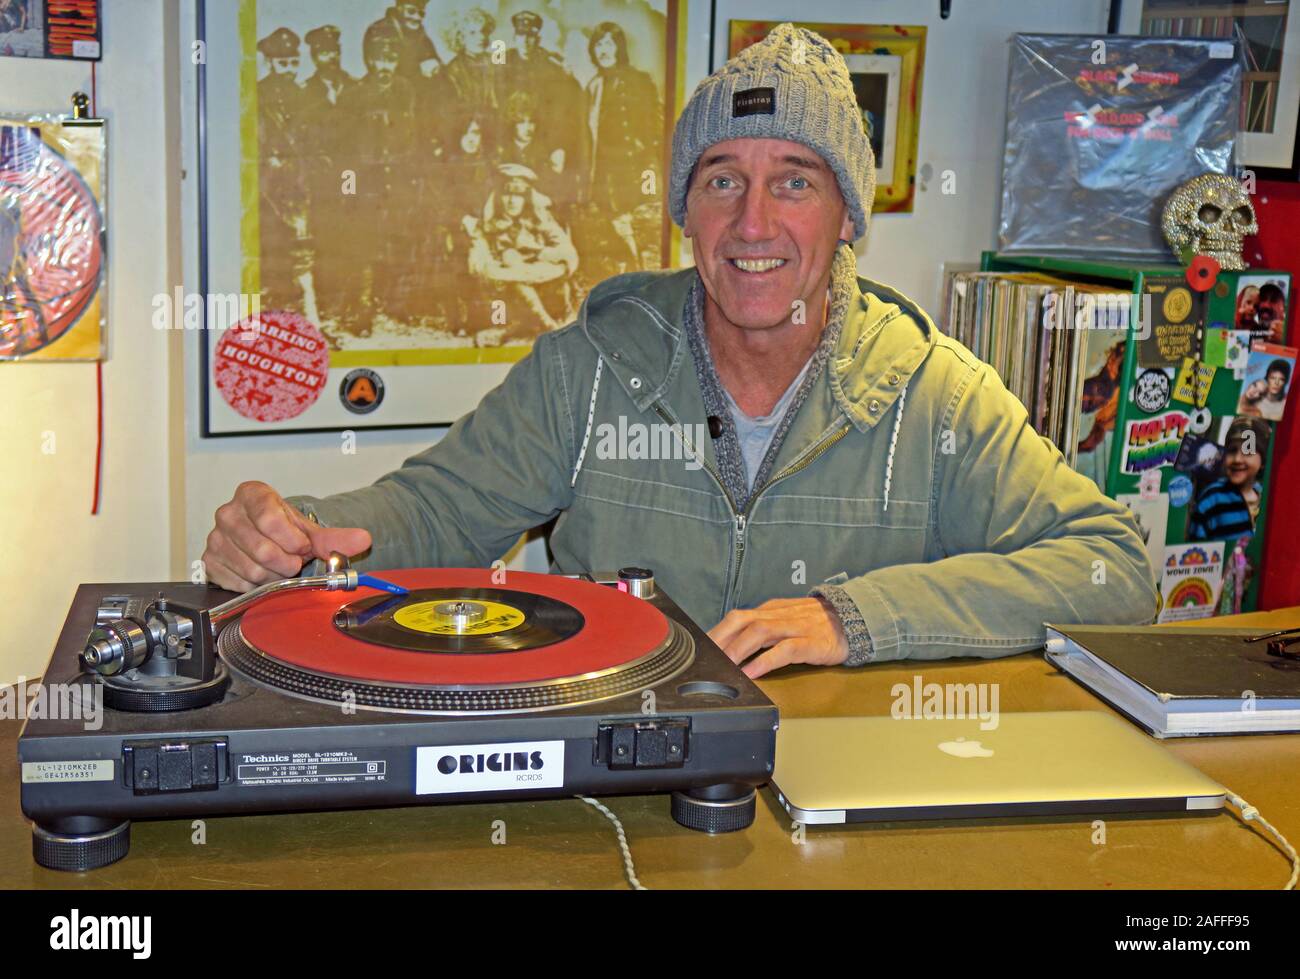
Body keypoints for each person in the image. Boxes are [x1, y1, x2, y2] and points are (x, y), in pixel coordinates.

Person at [203, 24, 1156, 677]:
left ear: (846, 216)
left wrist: (853, 620)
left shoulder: (935, 392)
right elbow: (433, 508)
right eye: (720, 179)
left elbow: (1113, 569)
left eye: (794, 182)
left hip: (839, 808)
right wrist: (298, 531)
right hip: (620, 800)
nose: (753, 222)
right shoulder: (588, 368)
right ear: (684, 212)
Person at [1188, 417, 1270, 543]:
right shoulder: (1212, 498)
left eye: (1247, 451)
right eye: (1232, 451)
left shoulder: (1266, 497)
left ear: (1263, 461)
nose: (1237, 459)